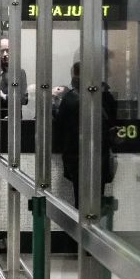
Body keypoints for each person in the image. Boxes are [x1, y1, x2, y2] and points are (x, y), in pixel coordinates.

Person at [52, 61, 119, 212]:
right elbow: (113, 123)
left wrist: (53, 106)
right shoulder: (105, 96)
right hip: (99, 156)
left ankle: (82, 233)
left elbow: (59, 127)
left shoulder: (70, 99)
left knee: (80, 202)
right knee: (96, 200)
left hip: (77, 158)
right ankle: (94, 231)